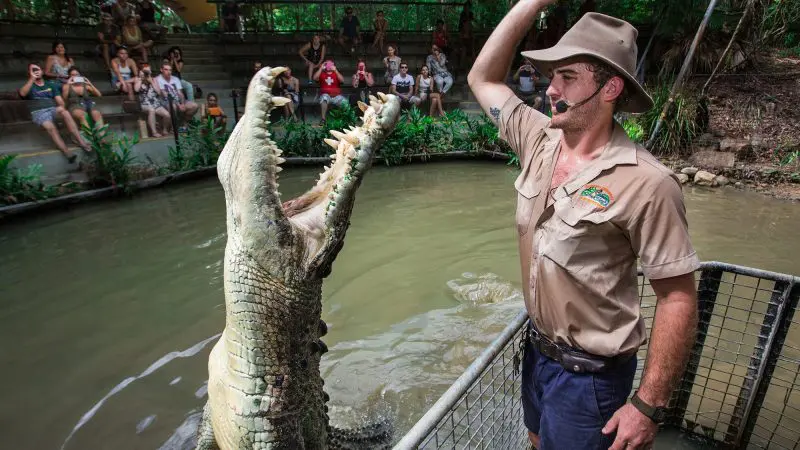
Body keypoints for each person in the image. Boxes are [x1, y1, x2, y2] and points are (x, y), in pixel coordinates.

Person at [468, 6, 700, 450]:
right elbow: (484, 79)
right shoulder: (538, 140)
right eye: (552, 76)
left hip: (592, 381)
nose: (550, 88)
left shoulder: (648, 184)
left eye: (568, 77)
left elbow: (677, 297)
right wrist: (530, 4)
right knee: (536, 440)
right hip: (537, 355)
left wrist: (647, 406)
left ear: (610, 87)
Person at [18, 63, 89, 162]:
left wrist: (61, 108)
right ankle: (67, 152)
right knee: (51, 128)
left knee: (65, 112)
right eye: (33, 70)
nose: (36, 72)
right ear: (29, 73)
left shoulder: (50, 84)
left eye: (37, 69)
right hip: (39, 112)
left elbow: (60, 101)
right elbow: (22, 93)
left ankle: (81, 142)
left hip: (52, 109)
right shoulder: (29, 85)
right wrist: (32, 79)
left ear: (42, 71)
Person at [134, 64, 171, 137]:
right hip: (144, 104)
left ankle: (164, 130)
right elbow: (136, 89)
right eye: (145, 70)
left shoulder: (154, 79)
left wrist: (151, 82)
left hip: (156, 103)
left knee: (167, 115)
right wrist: (141, 79)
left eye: (149, 70)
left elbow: (158, 92)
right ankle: (154, 132)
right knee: (151, 110)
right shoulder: (137, 79)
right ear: (141, 71)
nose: (148, 72)